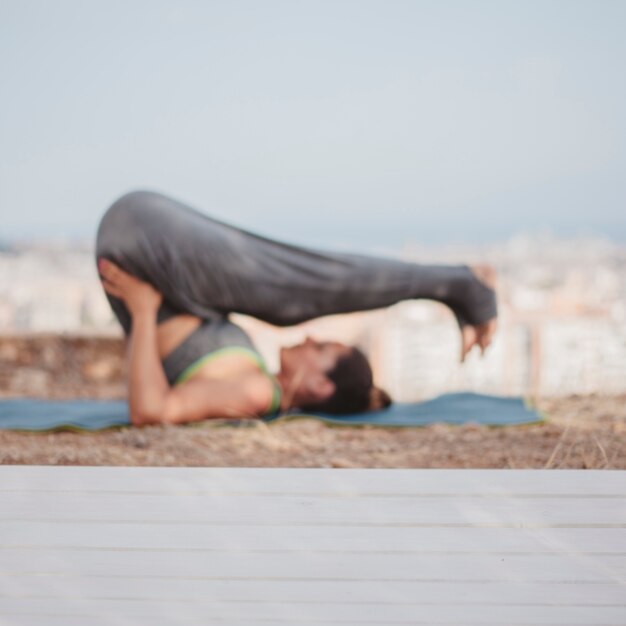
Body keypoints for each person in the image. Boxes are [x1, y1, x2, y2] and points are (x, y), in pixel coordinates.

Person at [96, 190, 497, 426]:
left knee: (295, 288)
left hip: (140, 243)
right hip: (151, 244)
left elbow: (152, 410)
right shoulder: (261, 381)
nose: (310, 339)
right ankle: (455, 285)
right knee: (289, 290)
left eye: (321, 350)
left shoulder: (257, 393)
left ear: (320, 385)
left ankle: (459, 284)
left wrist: (144, 311)